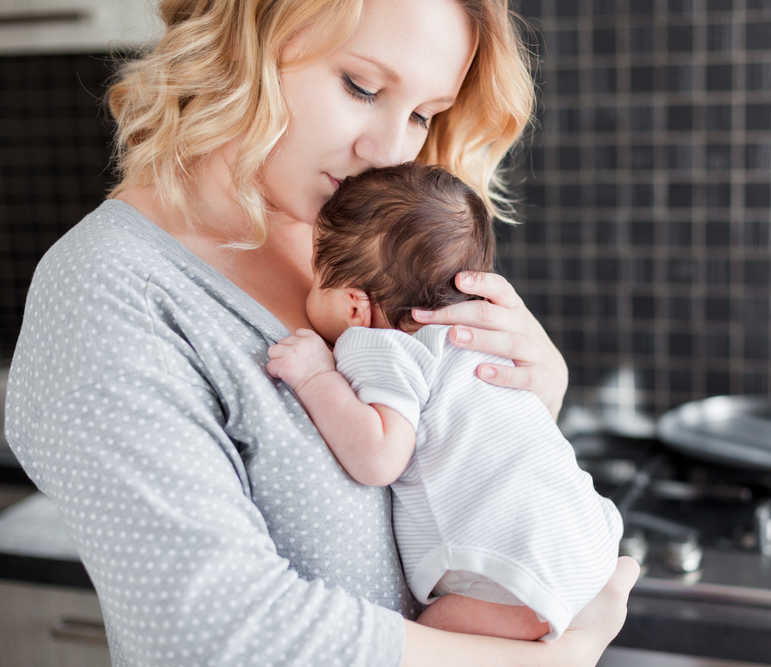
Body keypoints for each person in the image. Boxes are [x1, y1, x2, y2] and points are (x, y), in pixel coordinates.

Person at [4, 0, 639, 665]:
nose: (391, 150)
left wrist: (533, 398)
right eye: (361, 86)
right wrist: (548, 659)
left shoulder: (366, 249)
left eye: (423, 114)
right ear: (244, 38)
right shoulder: (108, 288)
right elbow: (209, 631)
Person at [266, 162, 623, 642]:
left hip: (510, 576)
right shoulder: (477, 337)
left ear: (356, 304)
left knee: (428, 637)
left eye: (315, 279)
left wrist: (314, 376)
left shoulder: (381, 344)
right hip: (583, 538)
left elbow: (378, 456)